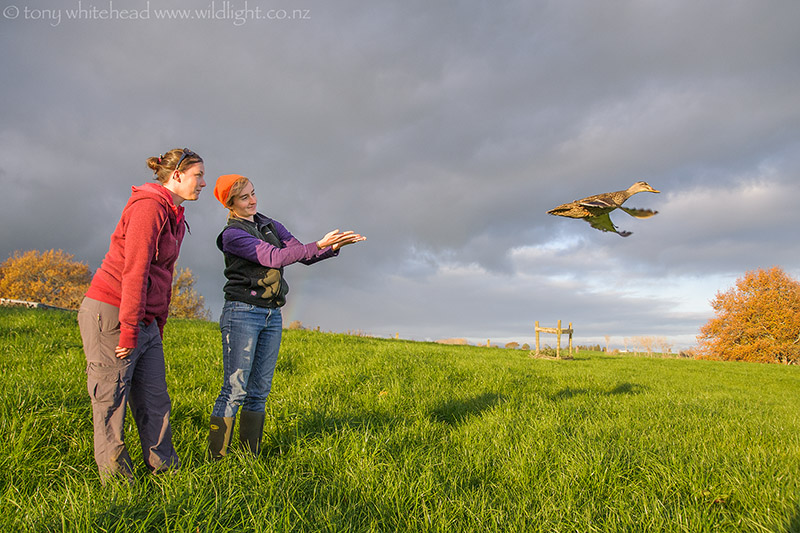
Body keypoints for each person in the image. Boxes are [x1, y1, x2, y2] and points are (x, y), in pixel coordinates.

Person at [208, 174, 365, 459]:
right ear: (229, 203)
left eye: (253, 193)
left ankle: (248, 457)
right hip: (242, 313)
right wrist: (318, 243)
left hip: (272, 315)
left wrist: (333, 247)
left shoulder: (269, 224)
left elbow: (299, 254)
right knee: (234, 389)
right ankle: (217, 458)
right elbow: (274, 258)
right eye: (244, 197)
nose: (253, 200)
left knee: (259, 390)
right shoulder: (232, 235)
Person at [77, 148, 206, 482]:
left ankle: (166, 473)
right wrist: (129, 329)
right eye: (198, 175)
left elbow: (163, 274)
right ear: (176, 175)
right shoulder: (149, 208)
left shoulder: (174, 214)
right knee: (111, 400)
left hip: (144, 320)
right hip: (113, 312)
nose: (203, 183)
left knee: (155, 400)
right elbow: (134, 272)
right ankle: (120, 485)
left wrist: (158, 323)